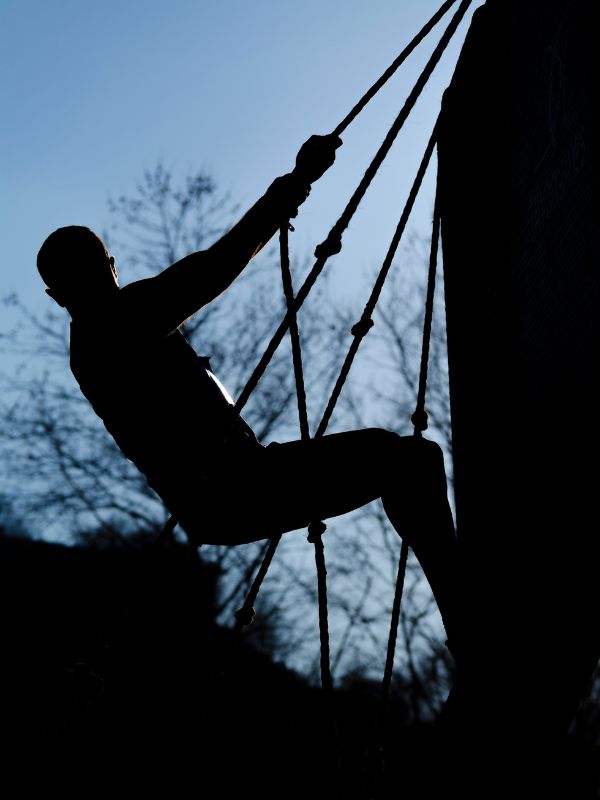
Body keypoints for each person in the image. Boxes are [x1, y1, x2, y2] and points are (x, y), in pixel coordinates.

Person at [37, 134, 458, 642]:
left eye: (103, 265)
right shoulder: (110, 329)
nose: (108, 276)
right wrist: (297, 184)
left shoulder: (107, 333)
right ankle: (470, 624)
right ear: (65, 292)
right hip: (231, 490)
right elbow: (212, 270)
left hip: (234, 485)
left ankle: (468, 620)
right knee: (408, 462)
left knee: (406, 460)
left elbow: (202, 275)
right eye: (96, 269)